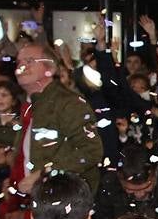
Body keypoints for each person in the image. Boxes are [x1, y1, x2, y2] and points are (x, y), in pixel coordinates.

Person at [8, 42, 105, 205]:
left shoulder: (68, 103)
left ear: (50, 69)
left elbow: (91, 151)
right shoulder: (29, 105)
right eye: (19, 62)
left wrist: (45, 173)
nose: (22, 66)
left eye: (30, 61)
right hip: (36, 200)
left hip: (62, 202)